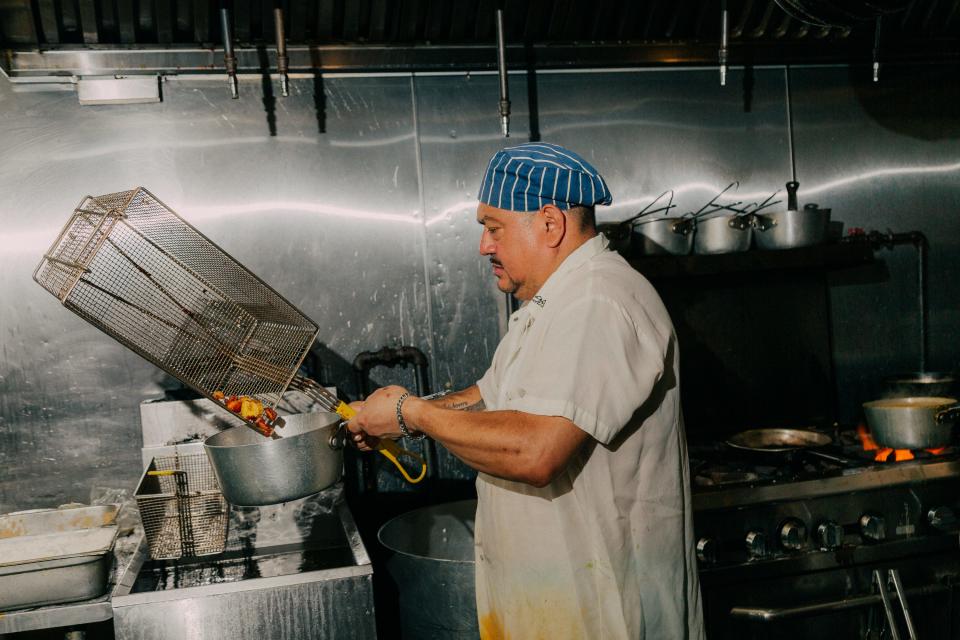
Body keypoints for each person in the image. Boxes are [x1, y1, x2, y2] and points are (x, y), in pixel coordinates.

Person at [347, 142, 704, 639]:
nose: (483, 247)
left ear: (551, 223)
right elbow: (491, 397)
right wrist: (394, 415)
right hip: (561, 606)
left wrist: (412, 415)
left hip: (604, 614)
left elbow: (537, 451)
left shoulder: (599, 301)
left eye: (494, 229)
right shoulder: (551, 302)